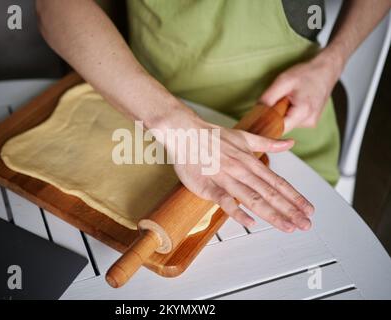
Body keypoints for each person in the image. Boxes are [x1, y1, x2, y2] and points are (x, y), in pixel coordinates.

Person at [35, 0, 391, 233]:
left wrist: (333, 59)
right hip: (147, 115)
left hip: (287, 126)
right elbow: (56, 8)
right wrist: (177, 129)